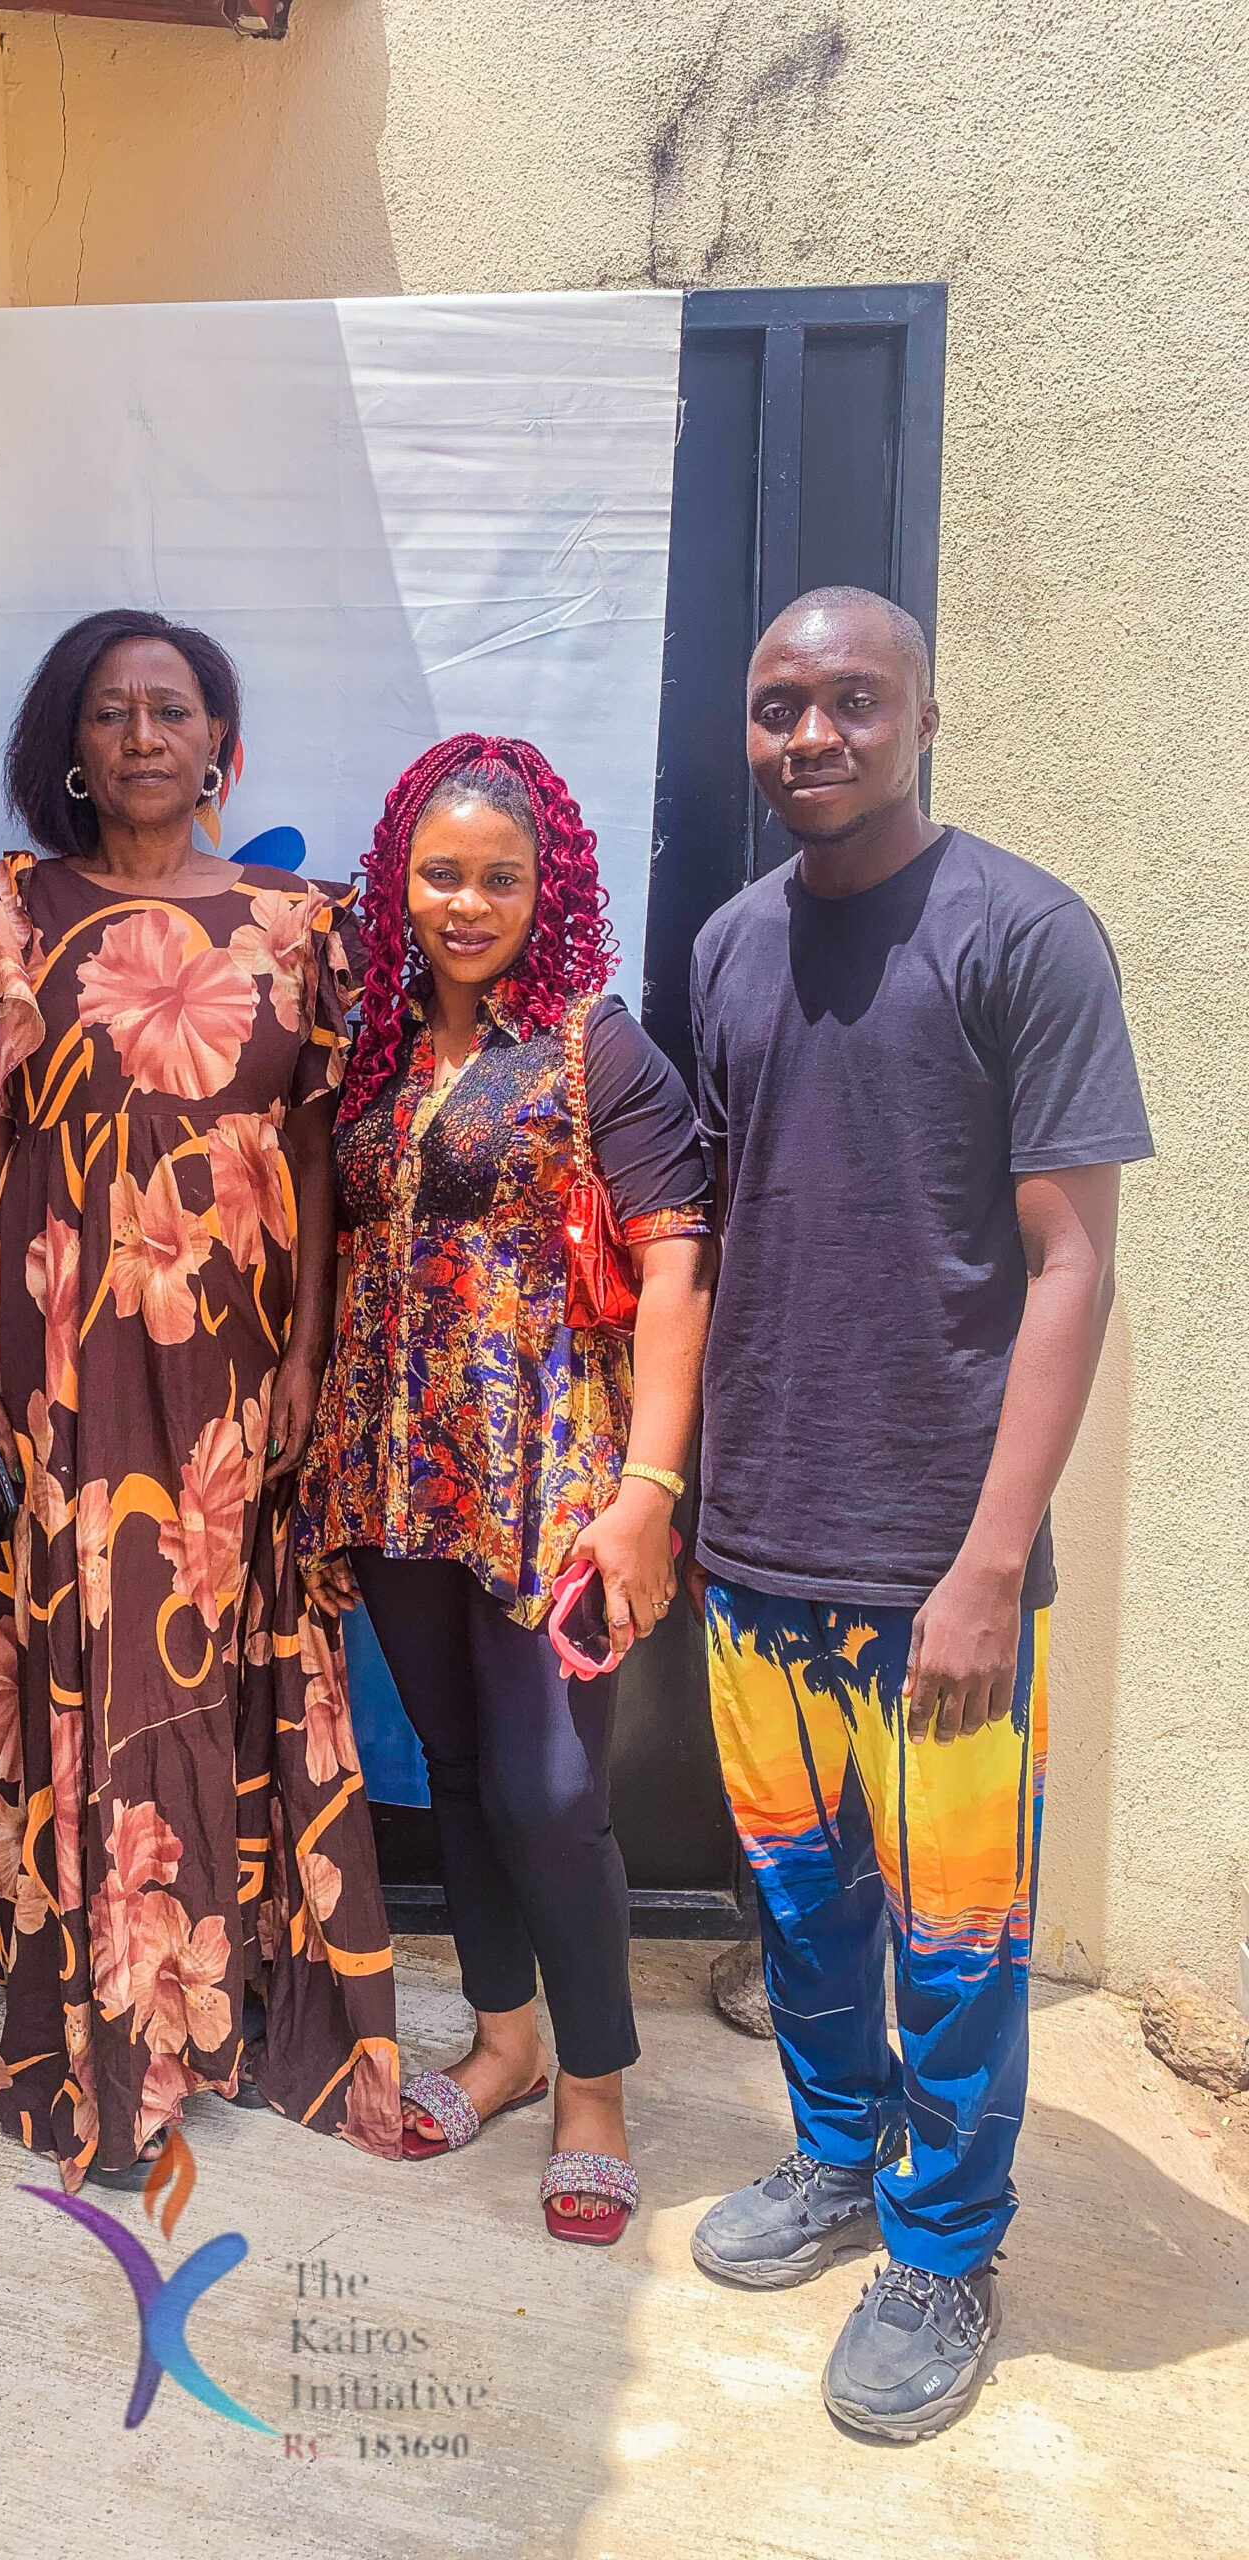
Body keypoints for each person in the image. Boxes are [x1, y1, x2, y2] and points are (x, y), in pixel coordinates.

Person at [687, 585, 1153, 2436]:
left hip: (938, 1561)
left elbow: (1071, 1269)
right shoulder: (729, 946)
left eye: (853, 700)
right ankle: (836, 2153)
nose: (812, 733)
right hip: (758, 1539)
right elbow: (731, 1234)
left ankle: (947, 2245)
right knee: (804, 1907)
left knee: (958, 1939)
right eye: (778, 703)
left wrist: (989, 1563)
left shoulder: (1025, 934)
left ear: (926, 717)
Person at [0, 607, 400, 2189]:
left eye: (172, 710)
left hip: (234, 1359)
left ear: (220, 748)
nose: (141, 735)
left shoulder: (296, 925)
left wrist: (312, 1358)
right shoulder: (3, 912)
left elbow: (315, 1156)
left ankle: (226, 2003)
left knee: (224, 1652)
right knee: (97, 1660)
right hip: (61, 1355)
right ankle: (117, 2042)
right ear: (70, 744)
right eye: (112, 711)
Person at [298, 735, 716, 2245]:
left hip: (552, 1476)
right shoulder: (374, 1047)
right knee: (462, 1773)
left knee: (552, 1790)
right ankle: (504, 2043)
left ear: (551, 889)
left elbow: (677, 1267)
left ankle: (594, 2090)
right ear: (399, 880)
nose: (466, 904)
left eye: (500, 878)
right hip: (397, 1469)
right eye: (440, 874)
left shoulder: (597, 1047)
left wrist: (649, 1490)